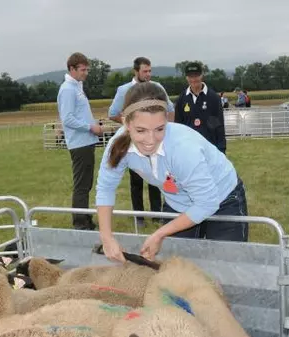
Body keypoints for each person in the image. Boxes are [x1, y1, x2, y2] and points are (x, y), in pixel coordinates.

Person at [96, 82, 248, 263]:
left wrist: (160, 233)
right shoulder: (118, 147)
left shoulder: (182, 148)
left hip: (223, 198)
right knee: (175, 269)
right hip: (178, 202)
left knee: (226, 267)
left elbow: (207, 203)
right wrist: (106, 238)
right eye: (141, 130)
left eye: (160, 129)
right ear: (126, 123)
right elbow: (105, 188)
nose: (151, 140)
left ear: (167, 120)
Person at [108, 57, 174, 227]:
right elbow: (113, 113)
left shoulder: (157, 87)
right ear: (135, 71)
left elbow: (170, 109)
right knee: (136, 180)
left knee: (156, 176)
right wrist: (130, 126)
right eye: (145, 71)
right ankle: (139, 216)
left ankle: (157, 213)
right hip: (135, 143)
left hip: (155, 142)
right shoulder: (124, 90)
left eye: (150, 71)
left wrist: (166, 129)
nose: (148, 74)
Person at [57, 52, 103, 230]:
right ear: (72, 69)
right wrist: (90, 127)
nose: (86, 73)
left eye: (87, 69)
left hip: (86, 141)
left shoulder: (77, 87)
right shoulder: (68, 89)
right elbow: (67, 119)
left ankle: (85, 218)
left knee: (86, 184)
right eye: (83, 69)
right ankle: (80, 223)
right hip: (79, 143)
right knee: (82, 185)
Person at [173, 62, 226, 154]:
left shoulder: (213, 97)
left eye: (196, 76)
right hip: (188, 149)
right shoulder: (181, 99)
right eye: (190, 76)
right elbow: (178, 126)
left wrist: (221, 150)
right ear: (186, 77)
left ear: (202, 75)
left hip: (210, 148)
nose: (193, 79)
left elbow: (219, 126)